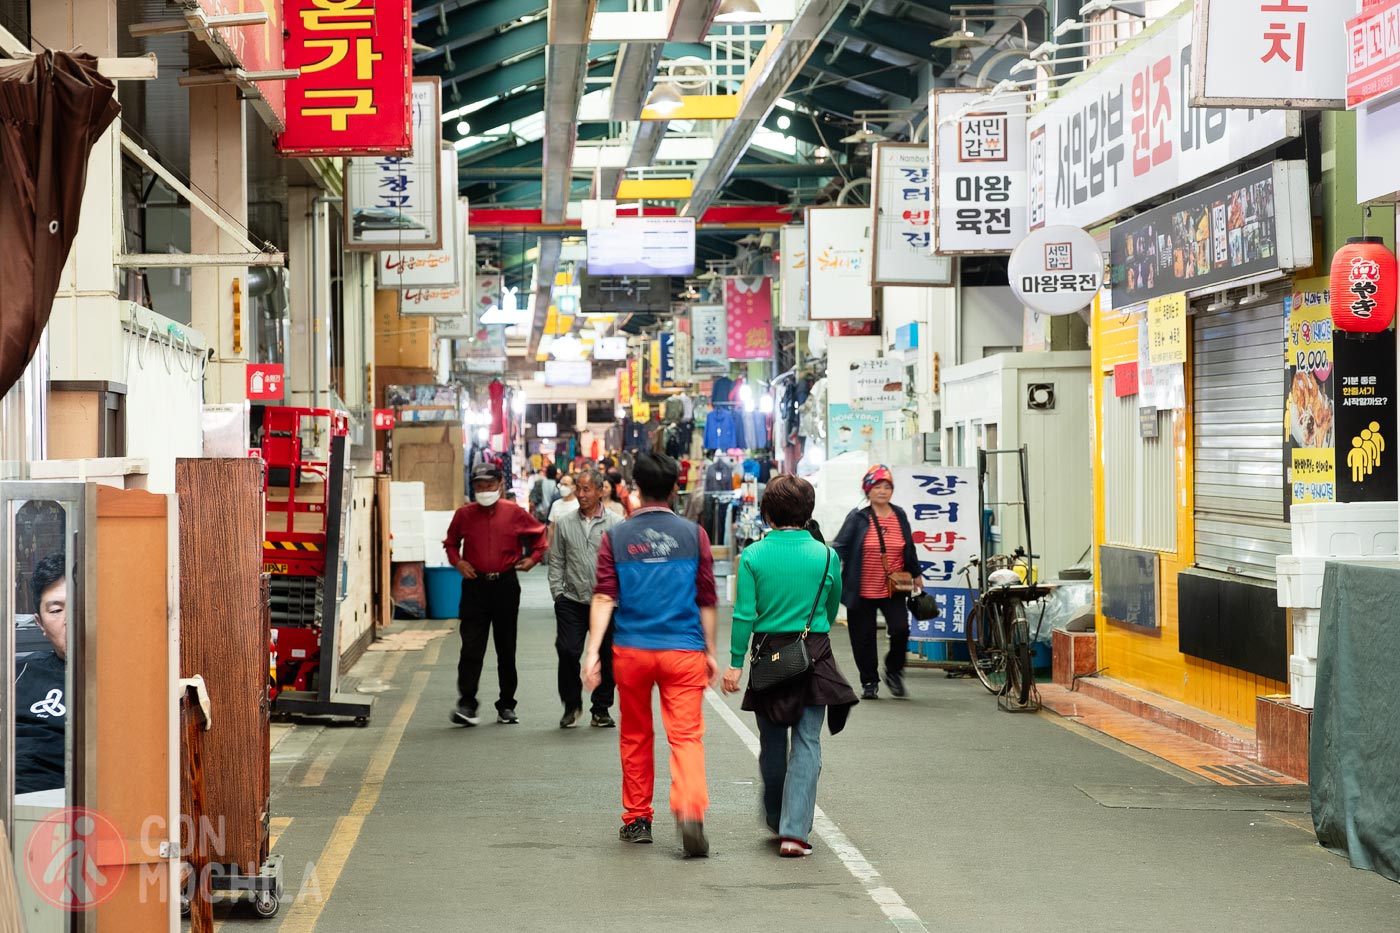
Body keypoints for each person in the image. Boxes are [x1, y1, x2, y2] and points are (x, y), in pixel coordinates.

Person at [584, 452, 719, 857]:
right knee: (686, 737)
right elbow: (707, 599)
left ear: (634, 489)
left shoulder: (616, 537)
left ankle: (638, 819)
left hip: (632, 652)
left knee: (636, 735)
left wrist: (592, 652)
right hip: (683, 649)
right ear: (676, 488)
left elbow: (605, 594)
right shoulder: (695, 535)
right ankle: (690, 809)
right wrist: (710, 651)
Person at [723, 476, 856, 858]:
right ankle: (794, 833)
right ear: (807, 511)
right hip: (813, 653)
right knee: (808, 741)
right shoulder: (827, 556)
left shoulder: (752, 556)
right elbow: (830, 611)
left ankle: (776, 812)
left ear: (767, 513)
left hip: (768, 656)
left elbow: (744, 614)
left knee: (772, 741)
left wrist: (735, 664)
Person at [443, 463, 547, 726]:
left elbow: (540, 536)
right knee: (471, 648)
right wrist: (458, 562)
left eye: (489, 485)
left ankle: (507, 705)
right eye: (479, 486)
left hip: (505, 585)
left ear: (500, 485)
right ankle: (467, 704)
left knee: (506, 647)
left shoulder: (514, 512)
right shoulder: (463, 515)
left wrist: (533, 559)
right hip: (475, 586)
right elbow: (451, 543)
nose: (484, 490)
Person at [832, 464, 921, 701]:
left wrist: (916, 573)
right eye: (877, 487)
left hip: (892, 588)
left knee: (901, 629)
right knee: (863, 638)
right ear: (868, 490)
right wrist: (826, 569)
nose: (882, 491)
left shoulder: (899, 514)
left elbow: (908, 547)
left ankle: (894, 671)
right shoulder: (857, 518)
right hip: (860, 589)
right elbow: (839, 547)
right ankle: (869, 681)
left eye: (887, 487)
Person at [548, 470, 622, 729]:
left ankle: (601, 709)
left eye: (587, 489)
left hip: (608, 602)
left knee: (608, 655)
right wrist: (557, 592)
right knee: (567, 650)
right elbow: (556, 559)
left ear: (600, 491)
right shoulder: (565, 522)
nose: (581, 494)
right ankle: (571, 705)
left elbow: (624, 562)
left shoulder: (616, 523)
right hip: (572, 600)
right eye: (578, 489)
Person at [17, 553, 67, 795]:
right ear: (40, 624)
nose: (70, 619)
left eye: (81, 605)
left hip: (66, 807)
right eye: (56, 610)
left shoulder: (128, 677)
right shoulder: (19, 673)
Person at [546, 473, 579, 545]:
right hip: (557, 546)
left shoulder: (579, 505)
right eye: (561, 484)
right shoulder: (556, 504)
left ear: (573, 487)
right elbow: (552, 527)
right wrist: (548, 546)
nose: (562, 487)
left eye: (566, 485)